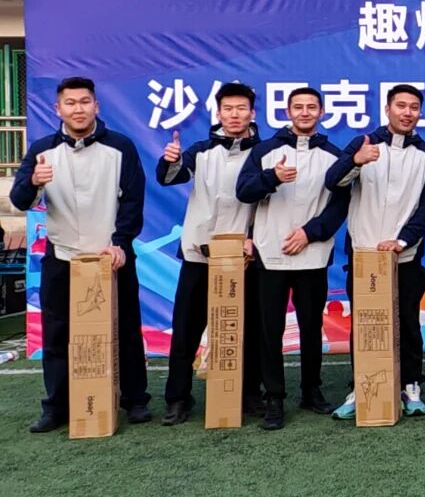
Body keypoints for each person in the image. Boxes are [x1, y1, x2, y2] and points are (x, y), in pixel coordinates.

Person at [11, 77, 151, 432]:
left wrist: (120, 243)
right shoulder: (42, 150)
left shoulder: (121, 147)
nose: (78, 109)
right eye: (70, 103)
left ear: (96, 106)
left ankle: (135, 400)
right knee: (58, 332)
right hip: (62, 256)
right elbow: (19, 200)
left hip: (111, 256)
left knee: (125, 329)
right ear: (58, 109)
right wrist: (33, 181)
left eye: (85, 102)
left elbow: (133, 201)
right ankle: (57, 406)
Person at [236, 86, 350, 430]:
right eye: (298, 107)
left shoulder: (334, 155)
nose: (304, 112)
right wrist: (272, 177)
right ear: (287, 112)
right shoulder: (264, 151)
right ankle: (274, 397)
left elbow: (340, 206)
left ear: (322, 112)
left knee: (311, 327)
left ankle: (311, 390)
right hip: (270, 255)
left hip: (312, 254)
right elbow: (243, 192)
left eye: (311, 107)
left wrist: (309, 233)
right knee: (269, 330)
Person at [326, 84, 425, 419]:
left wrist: (402, 241)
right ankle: (360, 387)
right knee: (365, 325)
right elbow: (332, 181)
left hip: (405, 256)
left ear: (420, 113)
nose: (407, 112)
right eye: (400, 106)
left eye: (414, 107)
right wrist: (355, 161)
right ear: (388, 109)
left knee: (408, 323)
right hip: (364, 257)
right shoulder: (362, 144)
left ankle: (410, 385)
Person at [156, 82, 264, 425]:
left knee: (249, 329)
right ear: (218, 113)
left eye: (241, 109)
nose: (235, 115)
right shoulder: (200, 150)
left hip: (244, 257)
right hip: (199, 253)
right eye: (228, 109)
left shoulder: (265, 152)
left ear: (252, 113)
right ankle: (177, 398)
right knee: (186, 329)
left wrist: (253, 239)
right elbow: (171, 177)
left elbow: (270, 203)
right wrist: (170, 160)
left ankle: (249, 393)